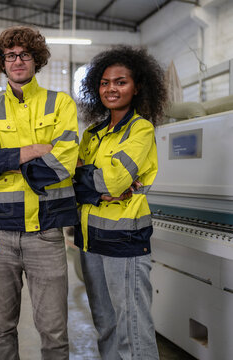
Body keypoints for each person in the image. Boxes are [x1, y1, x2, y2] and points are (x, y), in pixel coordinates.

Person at [0, 26, 79, 359]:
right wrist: (31, 150)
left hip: (46, 234)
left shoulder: (60, 104)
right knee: (2, 327)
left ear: (36, 59)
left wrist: (9, 163)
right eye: (10, 55)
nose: (17, 60)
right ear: (2, 62)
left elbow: (65, 162)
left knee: (55, 331)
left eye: (24, 54)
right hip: (1, 234)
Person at [74, 45, 167, 359]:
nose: (111, 88)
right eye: (104, 82)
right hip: (89, 241)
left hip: (125, 240)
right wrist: (95, 183)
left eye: (120, 81)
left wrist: (93, 180)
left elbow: (113, 181)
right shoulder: (93, 134)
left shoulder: (140, 129)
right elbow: (77, 183)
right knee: (106, 325)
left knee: (133, 328)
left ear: (137, 87)